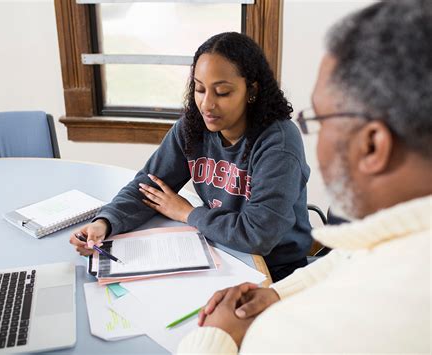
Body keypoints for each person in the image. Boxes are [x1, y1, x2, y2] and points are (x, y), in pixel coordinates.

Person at [178, 0, 432, 353]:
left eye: (320, 120)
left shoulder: (303, 334)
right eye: (201, 89)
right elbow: (347, 259)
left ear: (373, 145)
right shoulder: (399, 236)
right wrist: (277, 294)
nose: (208, 103)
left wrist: (217, 336)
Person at [69, 32, 312, 280]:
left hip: (275, 271)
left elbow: (258, 237)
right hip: (220, 252)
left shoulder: (279, 144)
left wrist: (187, 213)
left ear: (252, 91)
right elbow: (148, 187)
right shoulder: (193, 128)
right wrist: (104, 223)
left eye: (222, 92)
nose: (207, 104)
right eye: (199, 88)